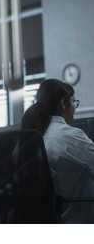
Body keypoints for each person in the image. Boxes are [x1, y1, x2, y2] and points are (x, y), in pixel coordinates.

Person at [21, 78, 94, 223]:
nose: (75, 107)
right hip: (77, 221)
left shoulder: (26, 139)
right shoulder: (71, 135)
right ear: (63, 103)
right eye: (74, 101)